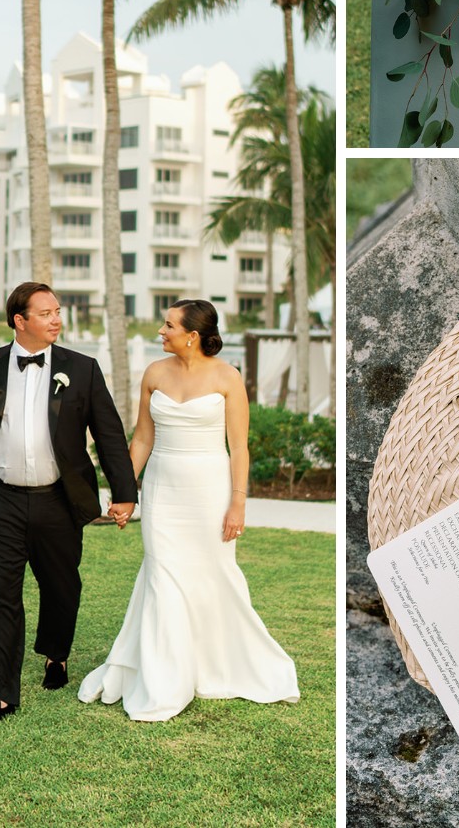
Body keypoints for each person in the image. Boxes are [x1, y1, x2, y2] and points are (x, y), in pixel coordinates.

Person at [77, 299, 300, 720]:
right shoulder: (154, 373)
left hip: (209, 491)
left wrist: (238, 502)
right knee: (162, 575)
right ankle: (165, 679)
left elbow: (240, 447)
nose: (161, 332)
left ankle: (215, 664)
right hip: (163, 490)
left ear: (192, 335)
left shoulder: (228, 378)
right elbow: (142, 439)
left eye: (168, 325)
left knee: (214, 576)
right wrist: (125, 493)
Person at [0, 282, 138, 725]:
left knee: (61, 586)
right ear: (20, 320)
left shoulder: (82, 368)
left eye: (58, 311)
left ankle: (56, 654)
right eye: (46, 313)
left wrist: (124, 493)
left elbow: (108, 435)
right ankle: (1, 696)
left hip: (58, 500)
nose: (57, 319)